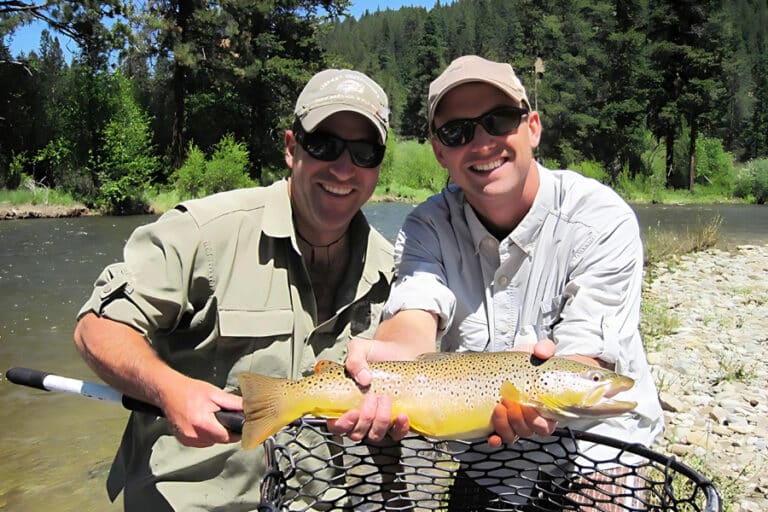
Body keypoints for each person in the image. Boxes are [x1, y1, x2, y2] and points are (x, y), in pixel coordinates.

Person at [338, 55, 664, 508]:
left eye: (500, 120)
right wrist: (393, 354)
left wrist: (547, 391)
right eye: (457, 132)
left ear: (532, 127)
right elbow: (414, 312)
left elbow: (587, 358)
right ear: (439, 152)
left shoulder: (601, 220)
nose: (482, 142)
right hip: (489, 448)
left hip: (597, 443)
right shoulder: (426, 227)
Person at [73, 68, 402, 511]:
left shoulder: (393, 270)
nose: (344, 168)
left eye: (364, 152)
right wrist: (169, 388)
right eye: (324, 145)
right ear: (291, 148)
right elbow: (97, 327)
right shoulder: (204, 234)